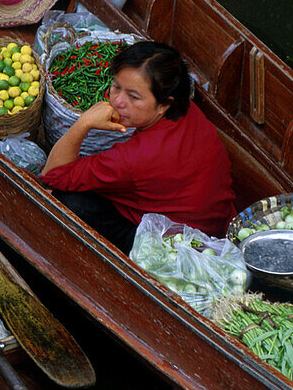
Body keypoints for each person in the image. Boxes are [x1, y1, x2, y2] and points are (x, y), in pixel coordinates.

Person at [40, 41, 235, 252]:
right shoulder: (189, 110)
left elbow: (51, 175)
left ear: (163, 105)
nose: (117, 101)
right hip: (215, 223)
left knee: (66, 200)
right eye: (116, 86)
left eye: (134, 97)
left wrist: (83, 123)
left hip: (179, 248)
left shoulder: (134, 158)